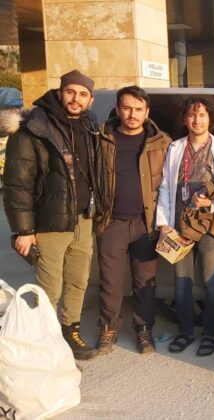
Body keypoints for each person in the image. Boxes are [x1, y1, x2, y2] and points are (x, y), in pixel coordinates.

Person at [2, 69, 100, 360]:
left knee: (78, 279)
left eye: (82, 94)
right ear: (60, 92)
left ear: (90, 100)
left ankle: (70, 331)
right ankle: (43, 338)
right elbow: (18, 182)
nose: (75, 98)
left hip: (83, 218)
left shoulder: (89, 124)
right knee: (49, 285)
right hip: (50, 220)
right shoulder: (34, 125)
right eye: (71, 92)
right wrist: (23, 230)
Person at [95, 86, 172, 355]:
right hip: (111, 221)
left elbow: (170, 184)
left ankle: (143, 330)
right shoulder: (102, 139)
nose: (132, 114)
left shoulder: (161, 142)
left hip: (145, 224)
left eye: (138, 109)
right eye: (127, 108)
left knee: (145, 283)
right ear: (118, 109)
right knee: (110, 281)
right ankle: (108, 329)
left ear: (147, 112)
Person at [156, 97, 214, 356]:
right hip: (179, 225)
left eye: (201, 115)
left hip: (210, 225)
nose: (197, 120)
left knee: (212, 282)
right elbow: (165, 185)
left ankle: (210, 334)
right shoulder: (175, 148)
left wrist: (210, 203)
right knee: (182, 282)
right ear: (185, 119)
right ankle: (185, 332)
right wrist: (164, 223)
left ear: (210, 118)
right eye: (191, 114)